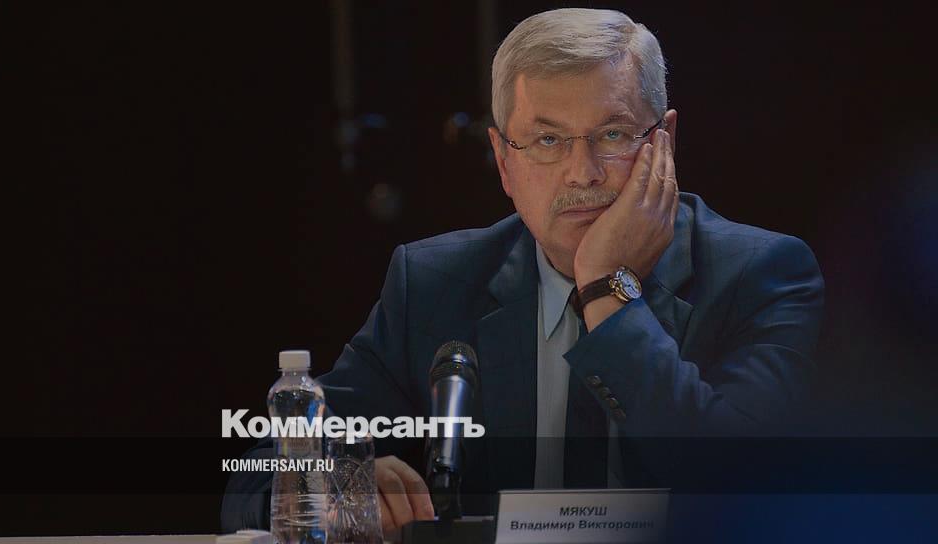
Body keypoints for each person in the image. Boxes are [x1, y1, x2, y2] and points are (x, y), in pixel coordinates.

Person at [222, 7, 824, 534]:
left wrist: (607, 291)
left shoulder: (761, 275)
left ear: (664, 141)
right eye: (547, 141)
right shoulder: (433, 285)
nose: (582, 172)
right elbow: (256, 477)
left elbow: (743, 486)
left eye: (612, 134)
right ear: (503, 162)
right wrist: (341, 490)